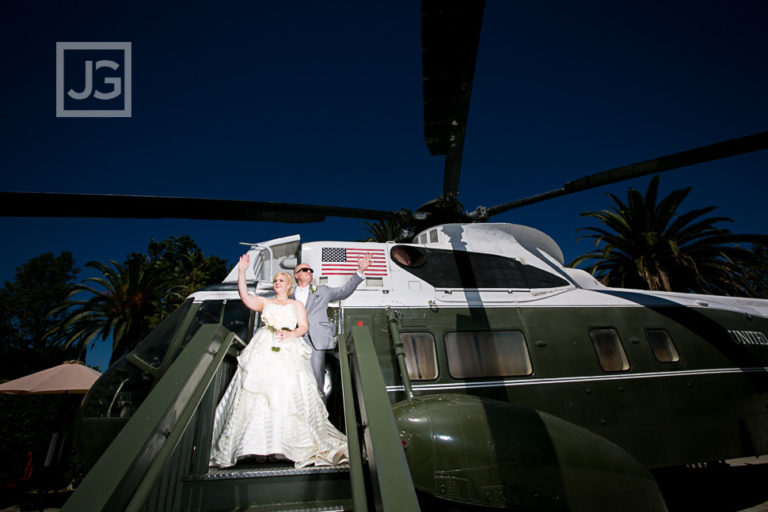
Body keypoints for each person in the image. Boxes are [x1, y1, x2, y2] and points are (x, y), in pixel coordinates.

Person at [209, 254, 348, 468]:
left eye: (280, 280)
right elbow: (245, 297)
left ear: (289, 284)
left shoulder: (296, 305)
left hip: (288, 347)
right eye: (275, 281)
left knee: (286, 393)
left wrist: (290, 335)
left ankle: (284, 446)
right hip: (265, 346)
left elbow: (303, 327)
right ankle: (256, 447)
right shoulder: (265, 302)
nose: (277, 283)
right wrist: (242, 271)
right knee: (259, 394)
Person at [293, 253, 371, 394]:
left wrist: (360, 271)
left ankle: (319, 414)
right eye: (305, 270)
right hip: (293, 339)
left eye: (311, 270)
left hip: (315, 340)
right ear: (296, 275)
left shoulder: (323, 290)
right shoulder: (289, 292)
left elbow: (344, 291)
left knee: (316, 380)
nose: (309, 272)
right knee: (293, 378)